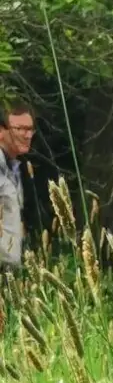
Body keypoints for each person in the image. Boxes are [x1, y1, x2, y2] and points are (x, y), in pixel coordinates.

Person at [0, 101, 34, 269]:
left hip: (9, 272)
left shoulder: (14, 168)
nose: (27, 135)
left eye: (30, 129)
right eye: (20, 129)